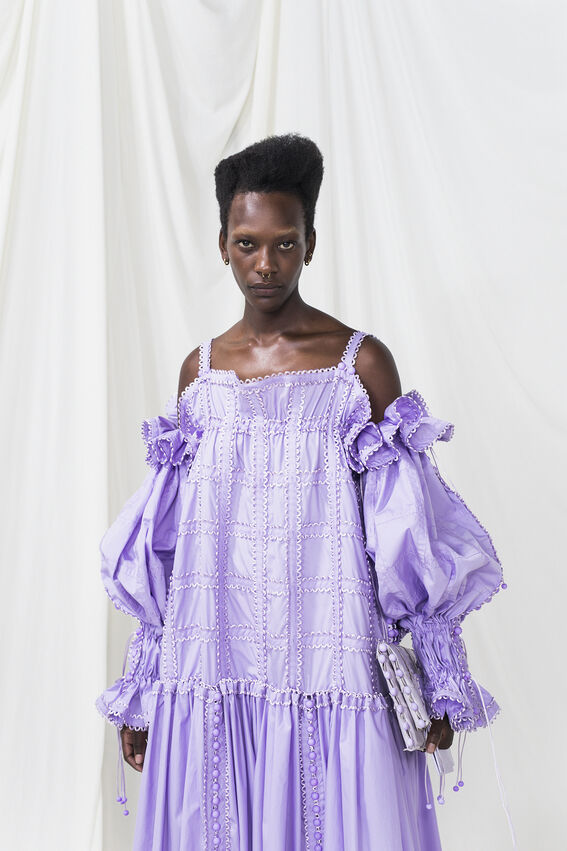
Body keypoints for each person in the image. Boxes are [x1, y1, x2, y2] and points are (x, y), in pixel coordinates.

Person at [96, 133, 504, 850]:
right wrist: (143, 687)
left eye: (283, 243)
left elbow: (404, 530)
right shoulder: (200, 375)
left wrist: (438, 674)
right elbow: (167, 544)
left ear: (310, 244)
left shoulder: (359, 365)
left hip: (331, 653)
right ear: (221, 242)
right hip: (213, 657)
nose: (264, 264)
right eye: (247, 243)